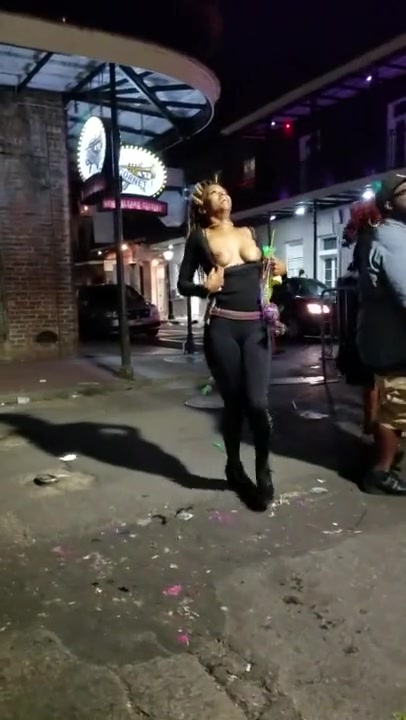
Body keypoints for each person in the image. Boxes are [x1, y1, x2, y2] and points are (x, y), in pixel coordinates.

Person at [177, 180, 286, 509]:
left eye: (224, 191)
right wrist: (204, 287)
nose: (223, 195)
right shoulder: (200, 237)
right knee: (235, 404)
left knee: (257, 403)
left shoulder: (249, 232)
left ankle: (263, 470)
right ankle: (235, 467)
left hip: (256, 327)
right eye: (214, 193)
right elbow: (183, 283)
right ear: (203, 206)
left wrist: (280, 269)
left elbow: (269, 274)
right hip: (223, 327)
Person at [357, 172, 406, 494]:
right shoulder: (392, 239)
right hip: (393, 341)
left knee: (395, 403)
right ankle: (379, 473)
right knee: (396, 406)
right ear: (388, 203)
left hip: (386, 338)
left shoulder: (395, 234)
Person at [336, 201, 379, 435]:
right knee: (373, 375)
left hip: (369, 314)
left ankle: (372, 423)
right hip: (370, 313)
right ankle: (372, 422)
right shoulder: (373, 237)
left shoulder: (367, 239)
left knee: (370, 375)